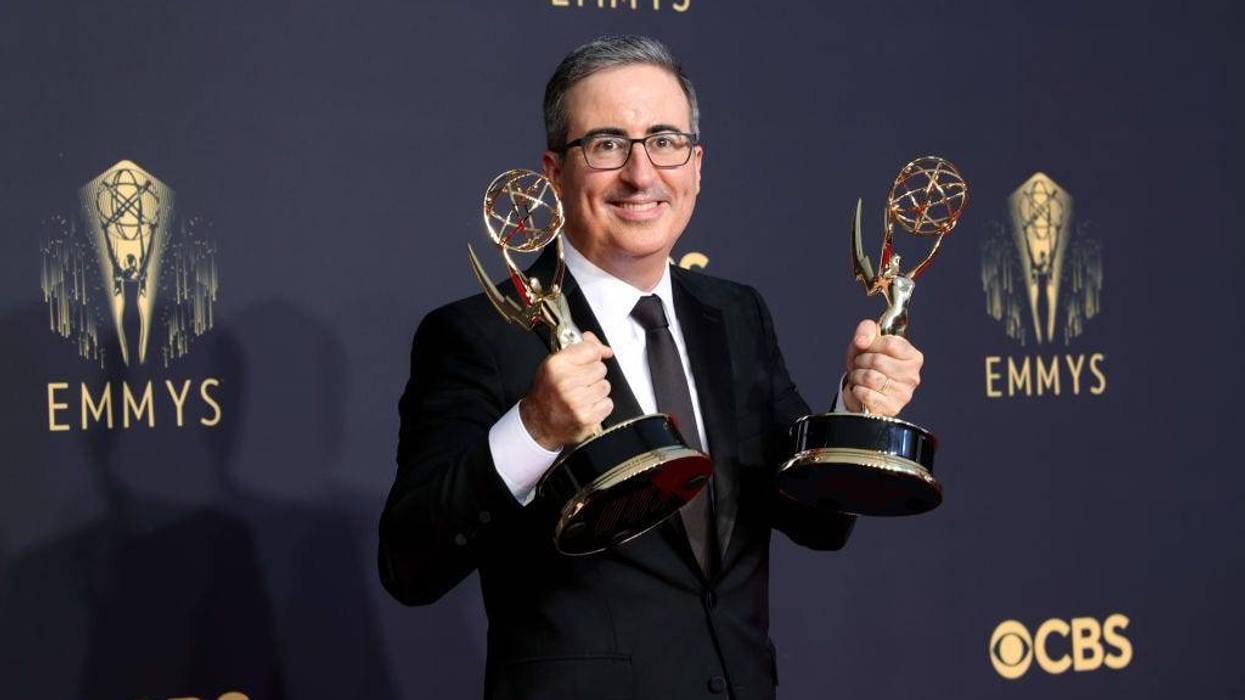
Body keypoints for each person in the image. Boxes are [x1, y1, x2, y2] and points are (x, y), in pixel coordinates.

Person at [379, 35, 925, 700]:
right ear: (552, 173)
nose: (642, 174)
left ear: (697, 165)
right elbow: (410, 564)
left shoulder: (736, 314)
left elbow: (817, 522)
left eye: (665, 141)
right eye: (607, 145)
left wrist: (857, 411)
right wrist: (533, 429)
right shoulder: (478, 334)